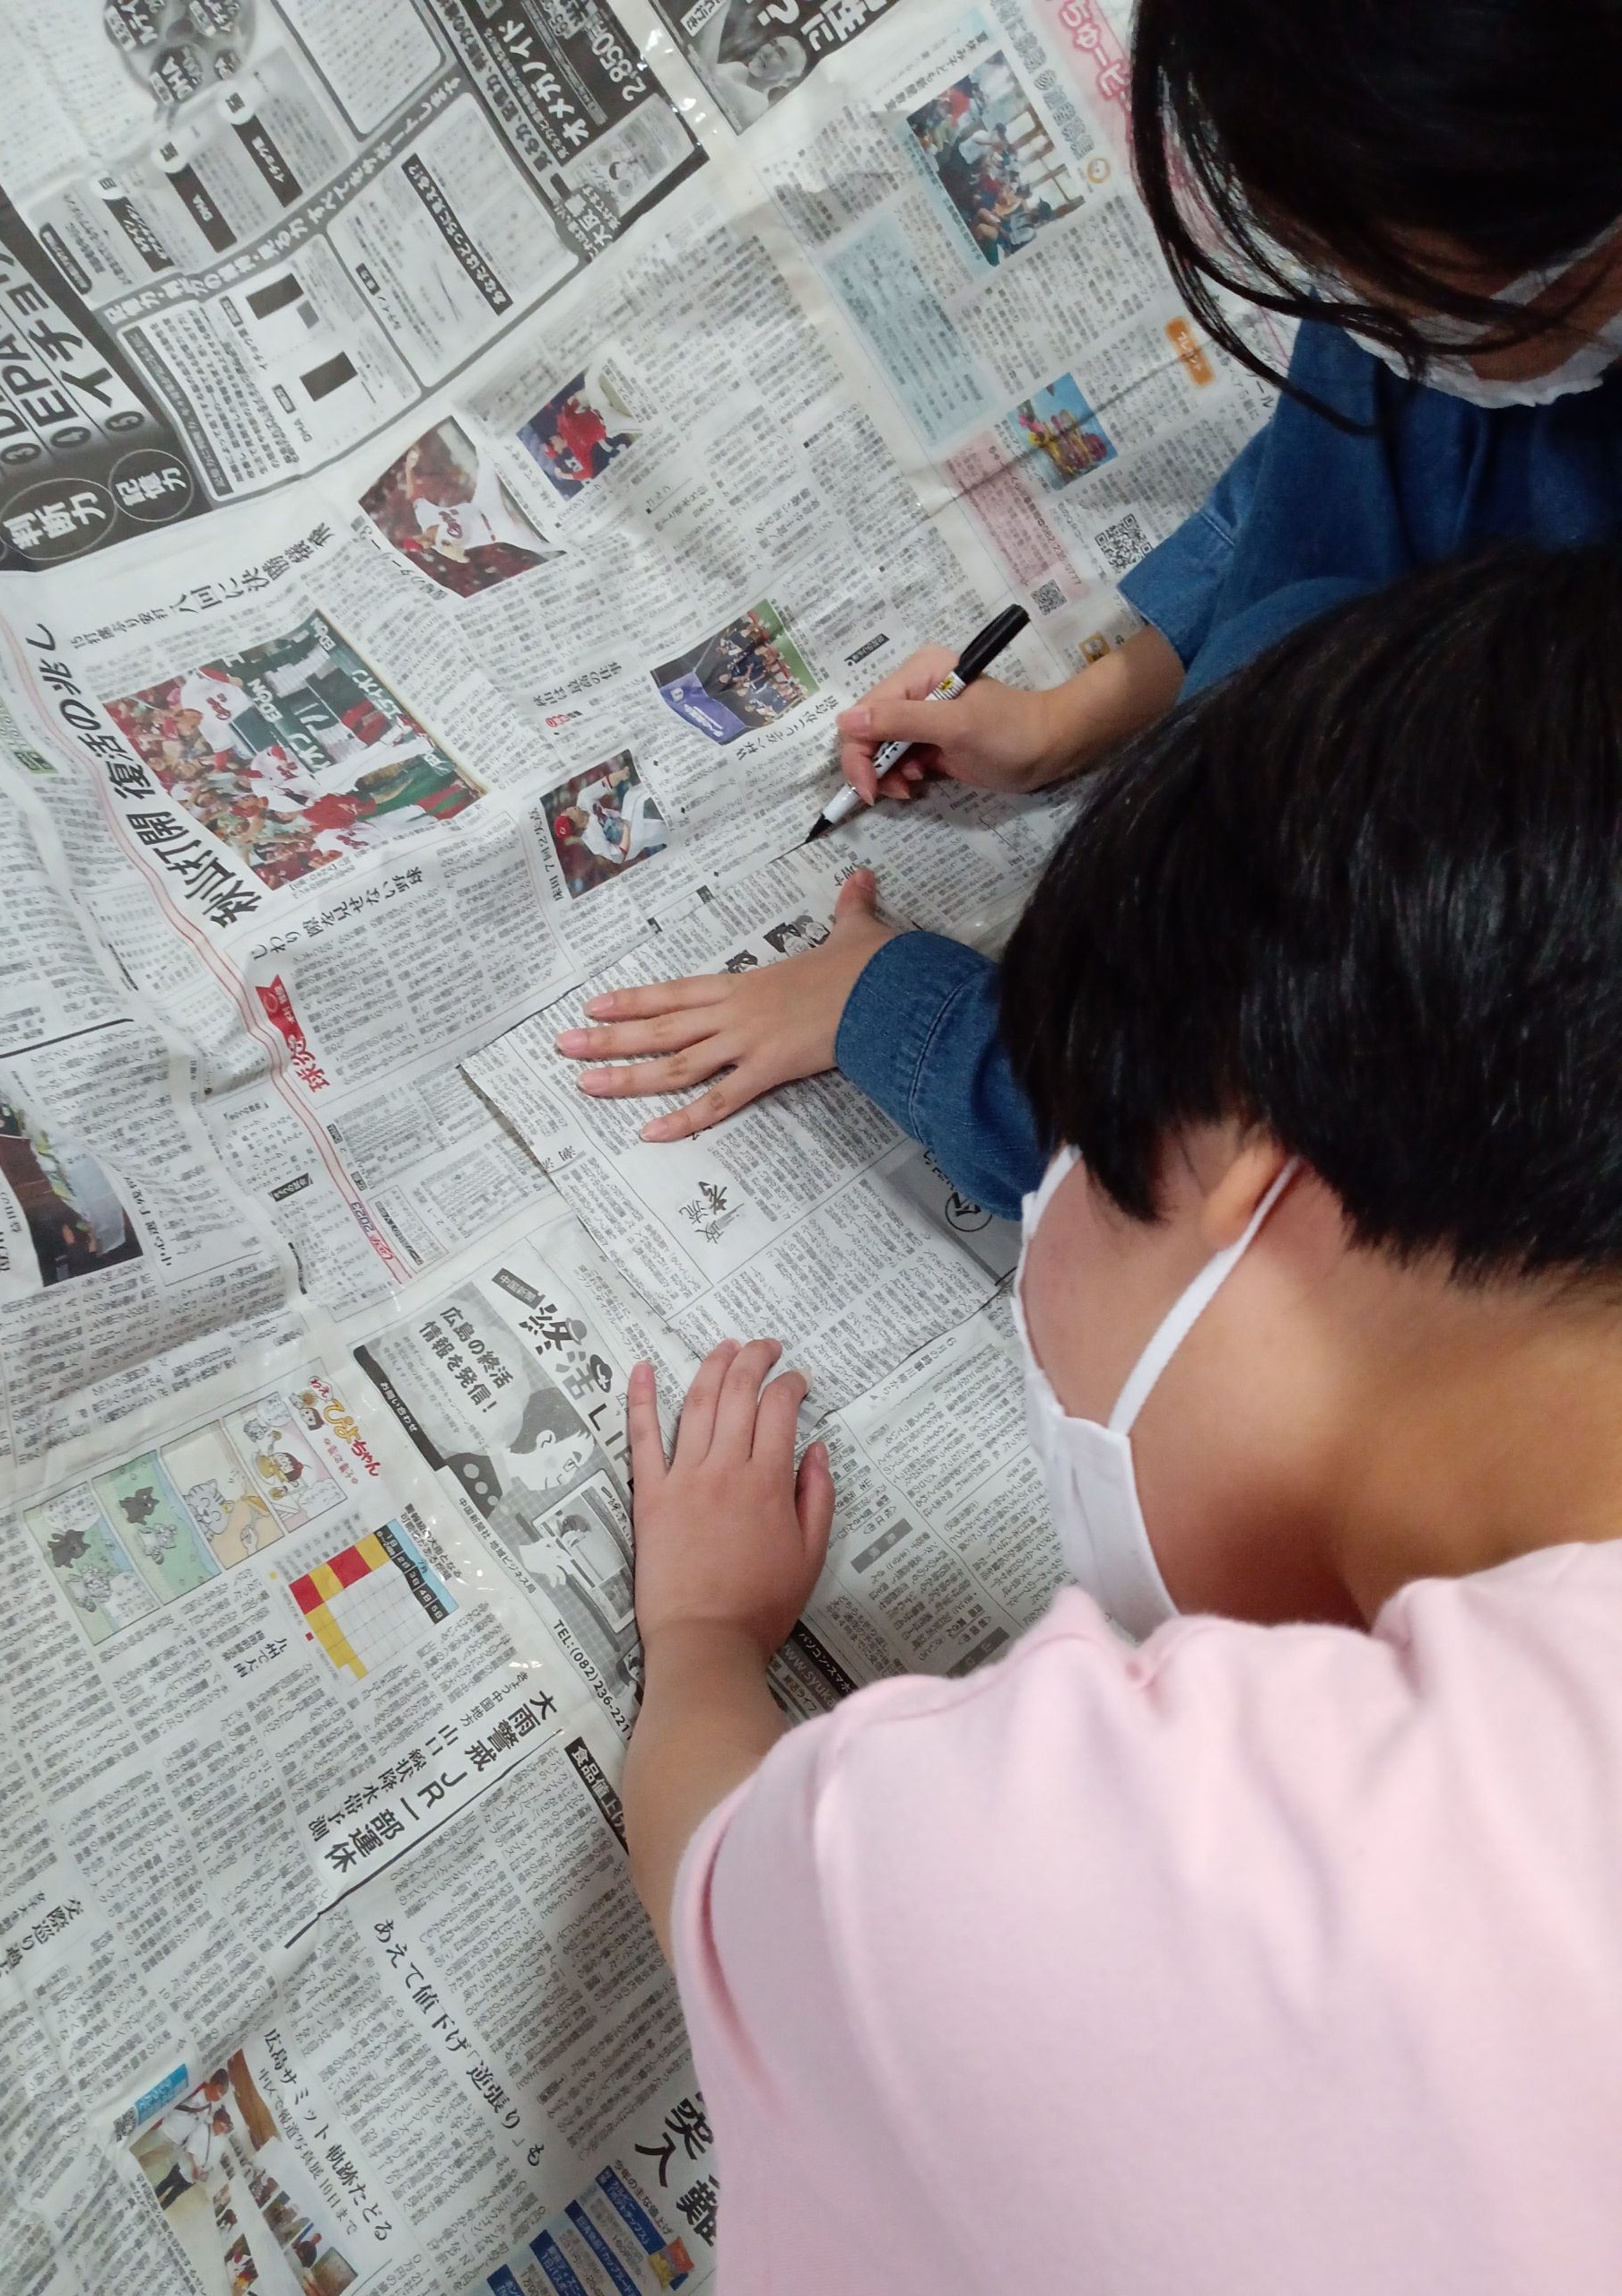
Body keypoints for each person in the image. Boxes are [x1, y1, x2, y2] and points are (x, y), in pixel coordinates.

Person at [623, 547, 1622, 2292]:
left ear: (1256, 1183)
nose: (1048, 1172)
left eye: (1076, 1132)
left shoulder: (1136, 1890)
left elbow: (720, 1863)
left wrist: (701, 1636)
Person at [558, 0, 1622, 1217]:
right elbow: (1319, 501)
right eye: (1328, 267)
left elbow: (1183, 1156)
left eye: (1414, 290)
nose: (1365, 323)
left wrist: (896, 1014)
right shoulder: (1425, 311)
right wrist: (1072, 716)